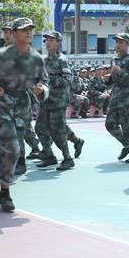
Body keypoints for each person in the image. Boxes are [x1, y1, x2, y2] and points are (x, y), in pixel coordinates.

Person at [0, 18, 49, 212]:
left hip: (22, 107)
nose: (28, 32)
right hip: (1, 105)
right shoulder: (0, 55)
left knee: (8, 151)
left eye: (31, 29)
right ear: (13, 33)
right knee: (12, 149)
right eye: (23, 30)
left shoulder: (36, 58)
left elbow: (45, 81)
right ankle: (5, 193)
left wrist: (41, 90)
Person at [35, 31, 83, 170]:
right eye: (47, 40)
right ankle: (49, 155)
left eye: (51, 40)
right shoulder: (44, 60)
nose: (48, 42)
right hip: (46, 99)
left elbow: (68, 80)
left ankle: (68, 158)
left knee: (58, 130)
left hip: (58, 100)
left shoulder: (62, 60)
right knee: (40, 127)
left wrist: (50, 80)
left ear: (58, 43)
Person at [105, 33, 129, 164]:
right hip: (116, 97)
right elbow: (114, 80)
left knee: (127, 128)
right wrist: (109, 78)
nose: (118, 44)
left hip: (128, 98)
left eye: (121, 42)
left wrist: (121, 72)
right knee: (110, 124)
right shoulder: (114, 59)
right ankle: (128, 144)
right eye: (117, 42)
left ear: (127, 44)